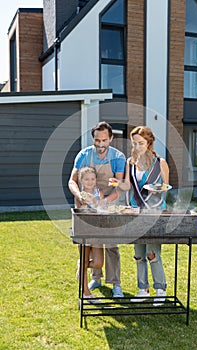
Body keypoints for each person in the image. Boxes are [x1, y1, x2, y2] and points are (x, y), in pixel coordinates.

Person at [68, 121, 126, 298]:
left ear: (111, 138)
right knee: (89, 244)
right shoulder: (84, 155)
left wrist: (105, 201)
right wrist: (80, 196)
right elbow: (72, 180)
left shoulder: (118, 158)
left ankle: (115, 283)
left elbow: (120, 186)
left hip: (108, 204)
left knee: (111, 245)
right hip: (84, 206)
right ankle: (95, 279)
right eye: (97, 140)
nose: (100, 144)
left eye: (104, 140)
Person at [113, 126, 169, 305]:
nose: (138, 147)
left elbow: (166, 186)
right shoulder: (131, 162)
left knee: (152, 253)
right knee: (138, 254)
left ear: (149, 143)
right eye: (135, 143)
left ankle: (160, 289)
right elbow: (128, 186)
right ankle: (142, 289)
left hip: (154, 212)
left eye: (141, 143)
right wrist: (117, 183)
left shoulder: (160, 163)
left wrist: (157, 191)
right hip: (136, 212)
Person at [76, 166, 104, 302]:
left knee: (98, 263)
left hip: (97, 231)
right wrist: (86, 202)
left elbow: (101, 208)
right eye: (86, 179)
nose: (90, 182)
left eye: (92, 179)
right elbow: (80, 212)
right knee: (85, 259)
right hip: (84, 230)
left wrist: (96, 202)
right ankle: (86, 293)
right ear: (81, 180)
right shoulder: (80, 195)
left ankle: (81, 266)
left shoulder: (99, 192)